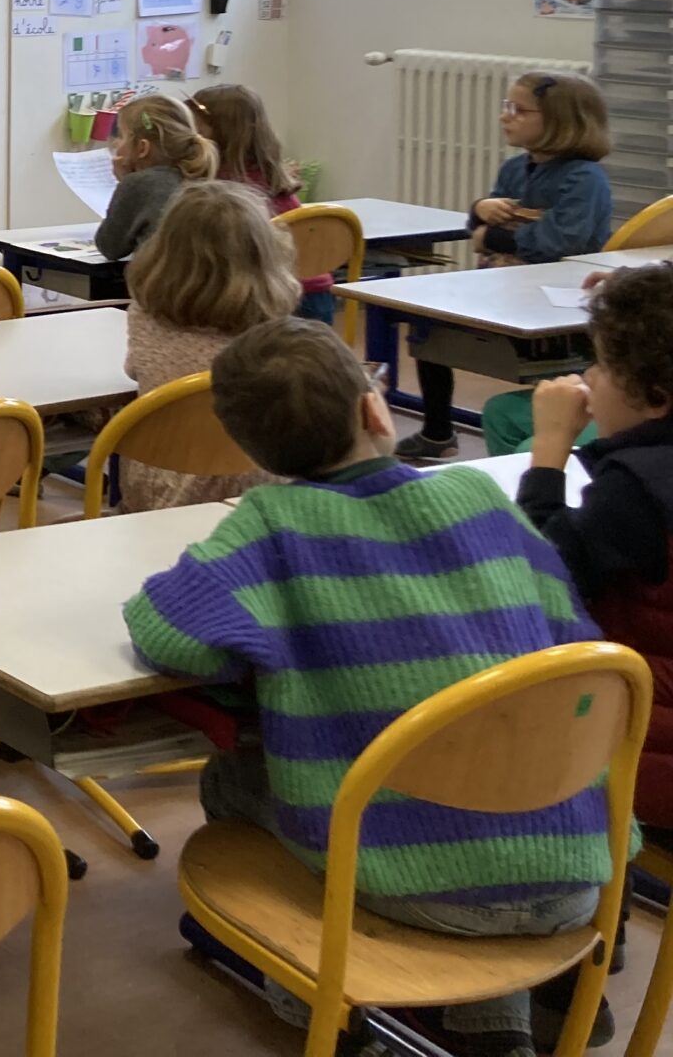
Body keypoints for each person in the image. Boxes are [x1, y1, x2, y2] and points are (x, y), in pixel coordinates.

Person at [126, 319, 615, 1057]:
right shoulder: (479, 500)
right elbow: (572, 637)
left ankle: (322, 1011)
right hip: (575, 869)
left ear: (252, 452)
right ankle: (494, 1025)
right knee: (478, 772)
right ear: (374, 409)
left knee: (236, 779)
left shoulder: (272, 527)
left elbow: (167, 634)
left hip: (415, 885)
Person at [518, 261, 673, 830]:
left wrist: (549, 451)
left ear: (654, 397)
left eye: (603, 365)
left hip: (636, 763)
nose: (588, 376)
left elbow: (536, 580)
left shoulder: (636, 490)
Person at [400, 72, 615, 462]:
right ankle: (437, 432)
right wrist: (479, 209)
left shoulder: (585, 179)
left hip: (552, 298)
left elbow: (559, 242)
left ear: (559, 120)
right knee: (428, 323)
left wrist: (492, 235)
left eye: (518, 110)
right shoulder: (515, 168)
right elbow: (479, 227)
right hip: (506, 285)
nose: (506, 116)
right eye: (506, 107)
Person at [117, 182, 297, 510]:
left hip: (158, 484)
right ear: (263, 254)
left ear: (163, 247)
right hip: (256, 484)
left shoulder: (143, 315)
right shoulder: (275, 330)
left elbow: (133, 370)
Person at [190, 82, 332, 314]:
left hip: (273, 300)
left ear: (217, 135)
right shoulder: (272, 178)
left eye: (198, 131)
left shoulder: (224, 194)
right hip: (315, 295)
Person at [94, 92, 217, 262]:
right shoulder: (199, 176)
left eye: (121, 136)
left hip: (161, 278)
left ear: (142, 148)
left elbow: (110, 247)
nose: (116, 143)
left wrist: (124, 183)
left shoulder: (138, 184)